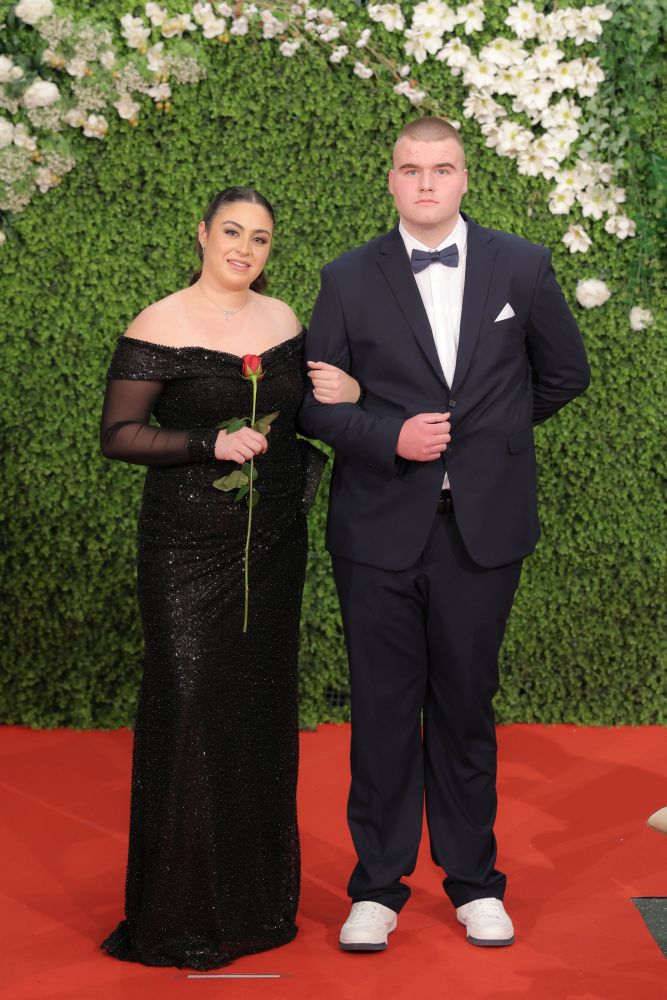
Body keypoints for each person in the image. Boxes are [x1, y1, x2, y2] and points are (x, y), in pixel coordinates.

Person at [298, 117, 590, 952]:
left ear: (465, 178)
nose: (425, 183)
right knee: (382, 711)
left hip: (481, 533)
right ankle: (376, 889)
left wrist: (484, 443)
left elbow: (564, 373)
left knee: (465, 707)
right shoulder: (346, 276)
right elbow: (312, 405)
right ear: (390, 179)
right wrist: (387, 434)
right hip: (376, 531)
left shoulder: (521, 264)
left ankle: (473, 884)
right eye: (410, 169)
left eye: (441, 168)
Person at [99, 186, 360, 970]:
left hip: (271, 548)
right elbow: (118, 434)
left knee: (256, 712)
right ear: (203, 234)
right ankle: (177, 915)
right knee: (187, 706)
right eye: (232, 232)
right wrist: (204, 443)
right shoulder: (158, 321)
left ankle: (253, 905)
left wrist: (349, 396)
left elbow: (301, 416)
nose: (244, 249)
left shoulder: (282, 320)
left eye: (260, 238)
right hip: (183, 549)